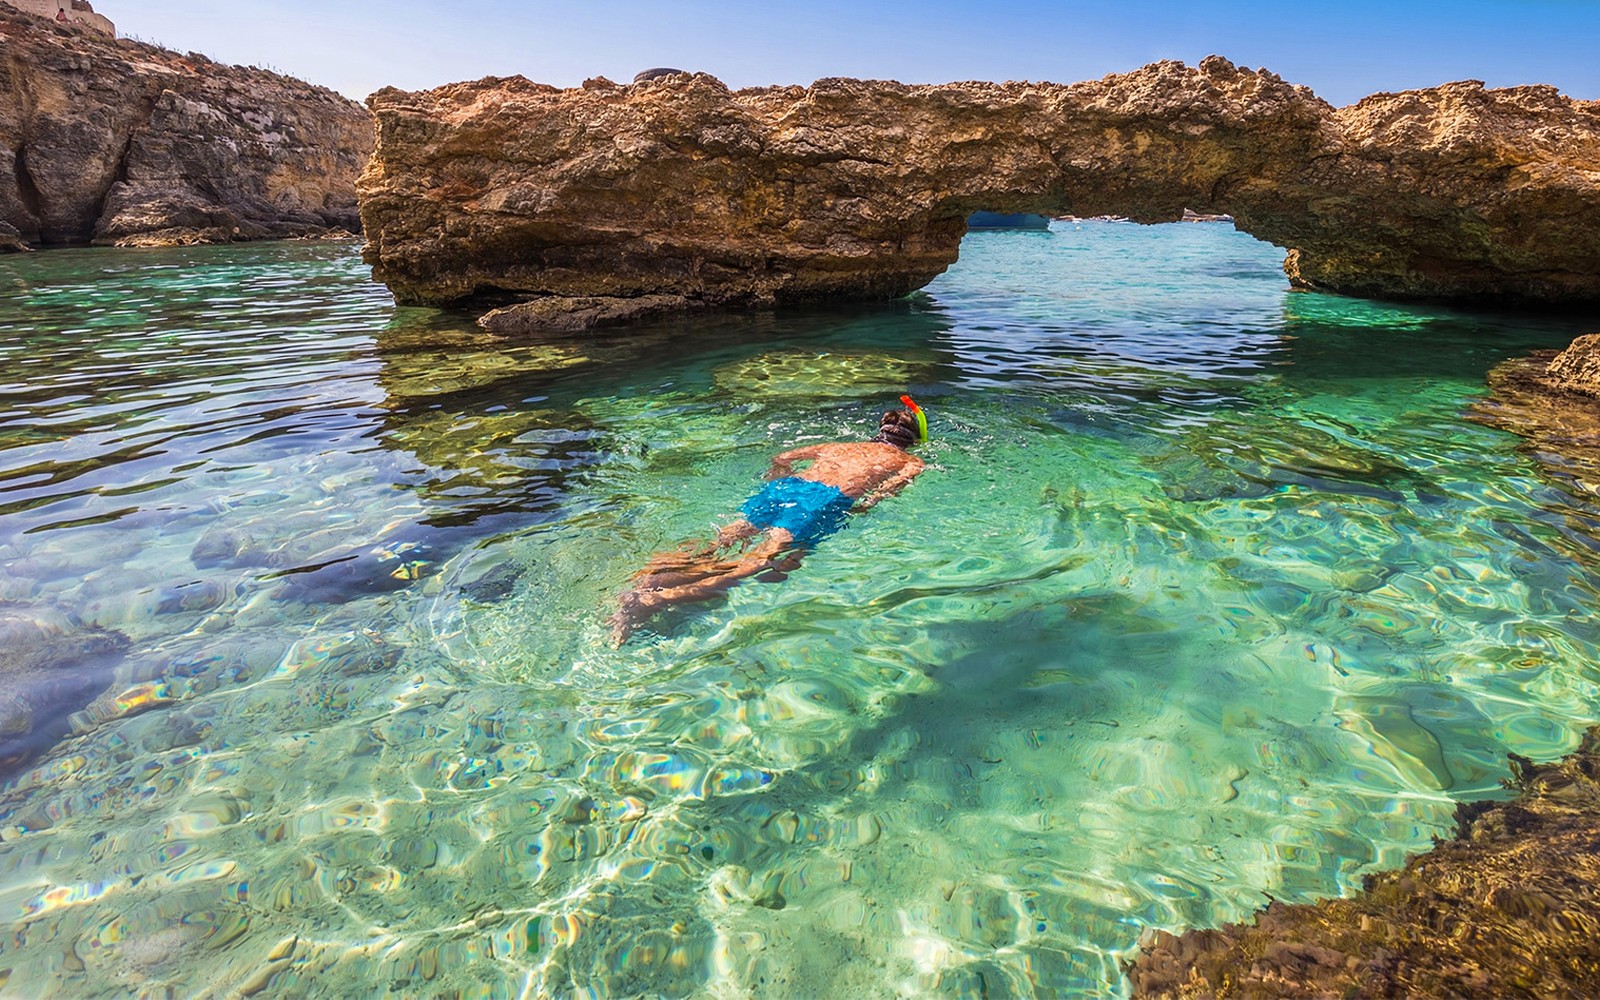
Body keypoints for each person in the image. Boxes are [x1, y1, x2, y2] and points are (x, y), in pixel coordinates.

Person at [609, 396, 930, 643]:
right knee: (756, 563)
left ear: (881, 430)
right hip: (822, 501)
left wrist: (777, 481)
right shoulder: (910, 461)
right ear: (913, 439)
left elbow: (782, 458)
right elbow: (881, 496)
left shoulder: (841, 445)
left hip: (787, 487)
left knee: (720, 540)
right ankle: (655, 601)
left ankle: (644, 579)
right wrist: (859, 509)